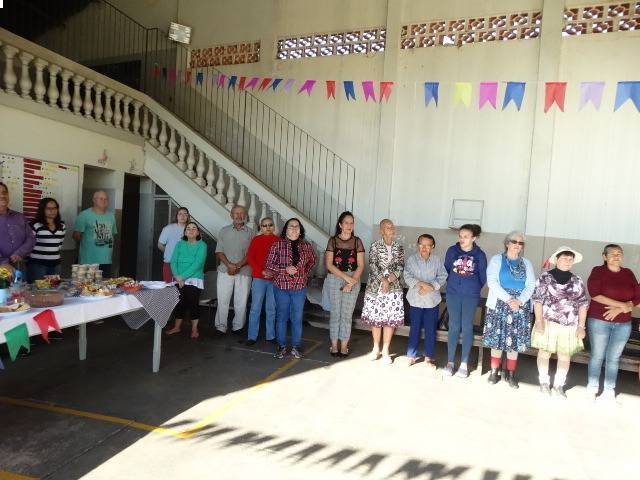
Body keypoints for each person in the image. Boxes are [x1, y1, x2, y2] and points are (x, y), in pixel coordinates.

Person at [531, 247, 589, 398]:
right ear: (556, 260)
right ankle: (544, 382)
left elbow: (583, 304)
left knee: (565, 355)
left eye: (570, 259)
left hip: (570, 325)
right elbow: (537, 301)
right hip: (547, 322)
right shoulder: (545, 277)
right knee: (544, 353)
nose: (567, 261)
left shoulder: (577, 280)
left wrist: (581, 326)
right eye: (564, 258)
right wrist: (539, 321)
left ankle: (559, 385)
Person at [586, 244, 640, 403]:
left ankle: (609, 391)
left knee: (614, 358)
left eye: (619, 253)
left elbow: (637, 297)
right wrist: (623, 306)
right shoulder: (598, 271)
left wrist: (622, 308)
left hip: (623, 323)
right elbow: (595, 294)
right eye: (612, 253)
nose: (617, 256)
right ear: (604, 256)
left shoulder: (628, 273)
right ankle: (592, 389)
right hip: (599, 321)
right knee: (597, 356)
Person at [483, 231, 535, 387]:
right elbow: (492, 281)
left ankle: (511, 374)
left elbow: (531, 285)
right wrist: (509, 299)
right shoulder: (497, 259)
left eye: (521, 243)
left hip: (519, 306)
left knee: (515, 341)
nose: (517, 245)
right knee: (497, 340)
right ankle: (494, 372)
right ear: (507, 243)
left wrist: (519, 300)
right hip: (500, 304)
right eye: (514, 241)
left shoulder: (527, 263)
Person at [266, 218, 317, 359]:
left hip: (299, 287)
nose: (294, 228)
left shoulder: (306, 246)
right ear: (285, 229)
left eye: (297, 226)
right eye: (291, 226)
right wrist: (285, 270)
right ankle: (281, 346)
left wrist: (304, 273)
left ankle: (296, 346)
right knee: (281, 317)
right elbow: (269, 265)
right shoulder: (277, 245)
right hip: (281, 286)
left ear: (300, 230)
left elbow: (313, 260)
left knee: (297, 317)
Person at [443, 224, 487, 377]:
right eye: (460, 236)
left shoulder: (480, 255)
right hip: (453, 294)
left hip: (470, 295)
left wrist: (471, 288)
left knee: (467, 326)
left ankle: (464, 363)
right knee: (454, 326)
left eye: (466, 237)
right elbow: (446, 270)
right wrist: (454, 284)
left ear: (473, 238)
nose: (462, 239)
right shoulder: (452, 251)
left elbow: (483, 277)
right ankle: (450, 362)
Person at [361, 219, 405, 364]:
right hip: (376, 287)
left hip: (393, 287)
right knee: (376, 319)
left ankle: (386, 350)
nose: (391, 229)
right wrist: (384, 280)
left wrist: (390, 279)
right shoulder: (375, 245)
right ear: (381, 231)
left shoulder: (399, 247)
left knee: (389, 320)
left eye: (392, 227)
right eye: (387, 227)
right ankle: (375, 349)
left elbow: (400, 266)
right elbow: (373, 265)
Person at [324, 211, 365, 357]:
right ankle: (334, 346)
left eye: (351, 223)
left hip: (353, 279)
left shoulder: (357, 241)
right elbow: (329, 265)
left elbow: (361, 265)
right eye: (346, 222)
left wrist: (351, 282)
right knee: (335, 314)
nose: (349, 225)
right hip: (335, 278)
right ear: (340, 225)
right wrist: (346, 279)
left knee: (347, 315)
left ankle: (344, 346)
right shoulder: (333, 241)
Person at [404, 234, 448, 369]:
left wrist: (431, 287)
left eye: (428, 245)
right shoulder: (412, 260)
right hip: (415, 300)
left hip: (431, 301)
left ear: (432, 247)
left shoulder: (437, 260)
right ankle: (411, 356)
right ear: (418, 245)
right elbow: (407, 275)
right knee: (415, 328)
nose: (424, 248)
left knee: (430, 330)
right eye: (421, 244)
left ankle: (429, 358)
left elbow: (443, 275)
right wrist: (422, 285)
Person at [214, 205, 253, 335]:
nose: (239, 216)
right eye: (236, 213)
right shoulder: (223, 231)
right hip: (225, 270)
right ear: (231, 215)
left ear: (245, 215)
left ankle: (238, 327)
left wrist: (238, 266)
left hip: (244, 271)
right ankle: (221, 326)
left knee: (241, 301)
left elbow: (251, 254)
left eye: (242, 213)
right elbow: (219, 251)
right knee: (222, 300)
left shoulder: (251, 232)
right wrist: (229, 265)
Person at [165, 222, 207, 339]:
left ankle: (194, 329)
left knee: (192, 303)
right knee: (179, 302)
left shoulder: (202, 245)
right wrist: (177, 276)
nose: (191, 230)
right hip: (178, 278)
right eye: (188, 228)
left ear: (198, 232)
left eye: (194, 228)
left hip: (194, 277)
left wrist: (182, 277)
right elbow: (173, 261)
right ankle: (177, 327)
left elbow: (198, 264)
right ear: (185, 232)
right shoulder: (179, 244)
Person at [245, 216, 279, 346]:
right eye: (265, 225)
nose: (268, 227)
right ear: (261, 227)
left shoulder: (279, 241)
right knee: (255, 308)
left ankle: (271, 335)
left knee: (271, 308)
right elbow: (250, 258)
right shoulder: (256, 240)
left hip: (274, 279)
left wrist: (274, 272)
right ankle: (252, 336)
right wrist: (262, 271)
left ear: (274, 226)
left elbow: (282, 260)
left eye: (270, 225)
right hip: (259, 278)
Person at [72, 190, 117, 277]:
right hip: (88, 261)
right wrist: (88, 243)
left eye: (106, 199)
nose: (104, 201)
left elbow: (112, 235)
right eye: (101, 198)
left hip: (106, 261)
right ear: (94, 200)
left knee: (104, 285)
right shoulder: (84, 215)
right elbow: (75, 235)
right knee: (86, 285)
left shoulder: (111, 216)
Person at [27, 197, 66, 283]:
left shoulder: (62, 226)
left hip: (56, 264)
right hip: (38, 265)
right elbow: (28, 244)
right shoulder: (35, 225)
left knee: (55, 288)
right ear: (42, 209)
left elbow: (59, 244)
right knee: (37, 289)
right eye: (49, 208)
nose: (53, 211)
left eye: (55, 208)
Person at [0, 181, 35, 268]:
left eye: (4, 193)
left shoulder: (19, 217)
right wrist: (3, 262)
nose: (2, 196)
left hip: (20, 264)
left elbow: (30, 238)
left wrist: (20, 252)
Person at [158, 207, 190, 283]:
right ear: (176, 216)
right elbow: (160, 245)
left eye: (185, 214)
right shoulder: (168, 228)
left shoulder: (192, 229)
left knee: (184, 287)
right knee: (169, 287)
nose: (182, 216)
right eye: (180, 214)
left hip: (186, 265)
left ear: (188, 216)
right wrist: (169, 253)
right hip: (169, 263)